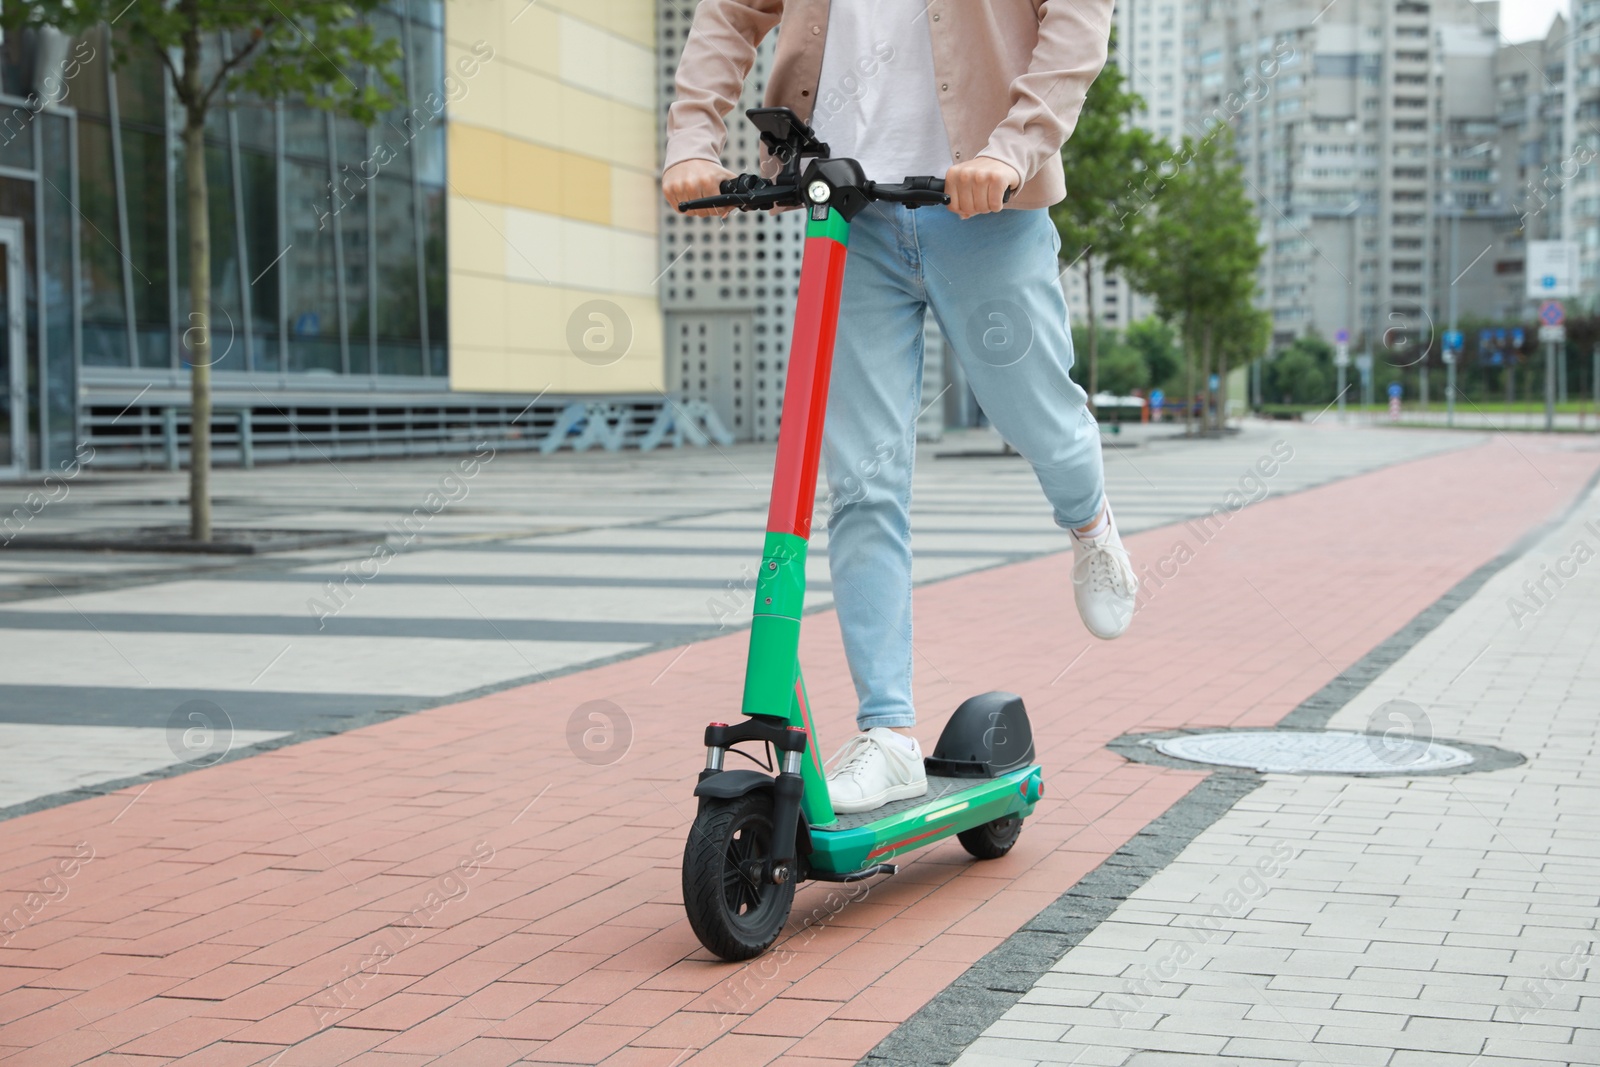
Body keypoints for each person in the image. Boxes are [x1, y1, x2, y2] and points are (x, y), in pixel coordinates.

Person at [663, 0, 1134, 815]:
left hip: (985, 204)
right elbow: (732, 14)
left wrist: (1014, 146)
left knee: (1041, 423)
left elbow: (1077, 22)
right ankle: (888, 733)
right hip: (847, 209)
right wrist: (692, 141)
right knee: (863, 479)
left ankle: (1089, 521)